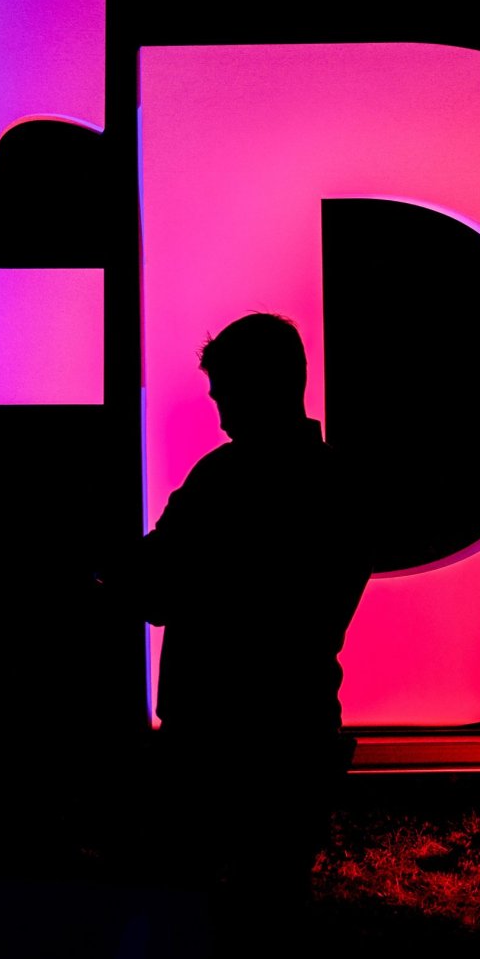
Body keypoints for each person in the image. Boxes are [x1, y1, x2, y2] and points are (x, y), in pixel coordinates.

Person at [113, 313, 370, 906]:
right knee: (273, 906)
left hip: (207, 738)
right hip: (299, 731)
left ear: (257, 388)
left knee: (180, 906)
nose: (222, 413)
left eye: (226, 394)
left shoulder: (222, 481)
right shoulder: (341, 485)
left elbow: (154, 587)